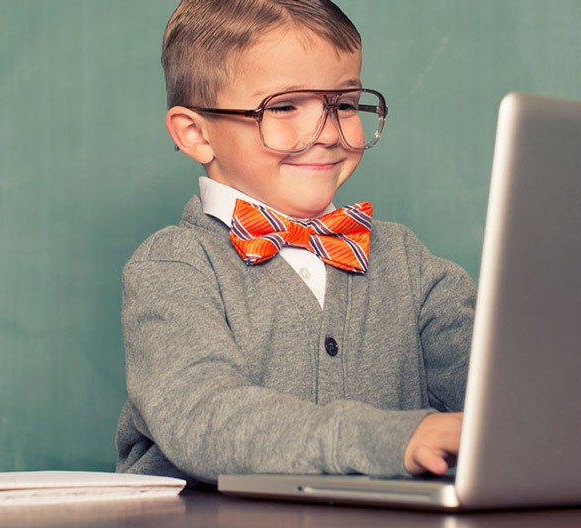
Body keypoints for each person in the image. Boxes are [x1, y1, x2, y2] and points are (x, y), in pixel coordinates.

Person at [115, 0, 474, 486]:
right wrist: (392, 438)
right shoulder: (174, 266)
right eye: (284, 107)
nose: (327, 133)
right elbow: (205, 419)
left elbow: (497, 383)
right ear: (196, 135)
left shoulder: (405, 260)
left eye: (344, 105)